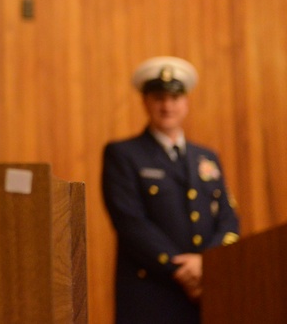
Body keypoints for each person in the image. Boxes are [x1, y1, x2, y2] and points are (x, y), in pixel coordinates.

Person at [101, 56, 239, 324]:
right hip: (152, 294)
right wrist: (182, 269)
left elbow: (228, 219)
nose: (167, 106)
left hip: (210, 291)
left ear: (186, 102)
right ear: (145, 101)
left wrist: (205, 264)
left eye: (174, 98)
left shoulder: (207, 158)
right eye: (159, 98)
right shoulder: (124, 154)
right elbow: (129, 222)